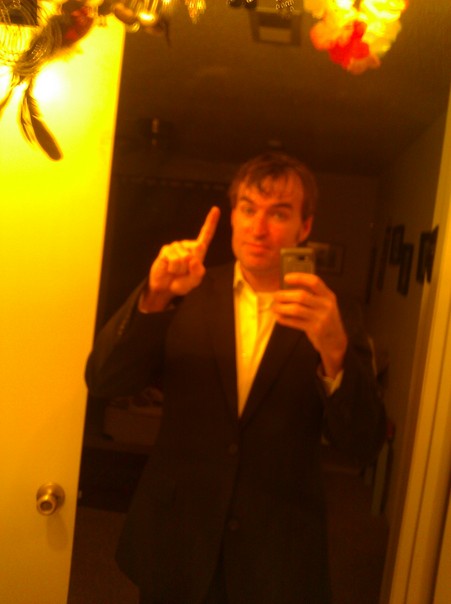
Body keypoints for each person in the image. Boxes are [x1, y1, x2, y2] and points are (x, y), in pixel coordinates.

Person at [85, 152, 386, 604]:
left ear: (304, 227)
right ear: (232, 217)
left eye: (278, 214)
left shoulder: (331, 313)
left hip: (276, 549)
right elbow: (104, 381)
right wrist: (153, 297)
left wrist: (335, 352)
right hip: (178, 533)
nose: (258, 228)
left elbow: (363, 443)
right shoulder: (185, 291)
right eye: (248, 209)